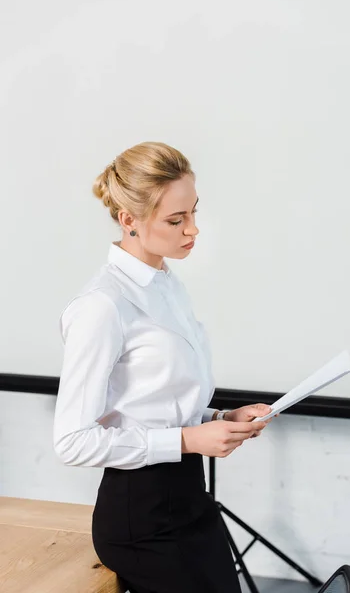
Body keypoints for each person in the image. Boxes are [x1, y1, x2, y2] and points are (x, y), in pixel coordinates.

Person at [53, 141, 273, 593]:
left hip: (191, 502)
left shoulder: (166, 285)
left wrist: (219, 419)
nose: (193, 230)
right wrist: (191, 438)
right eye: (176, 220)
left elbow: (153, 402)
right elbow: (72, 442)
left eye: (193, 213)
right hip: (142, 522)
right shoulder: (101, 306)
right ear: (128, 219)